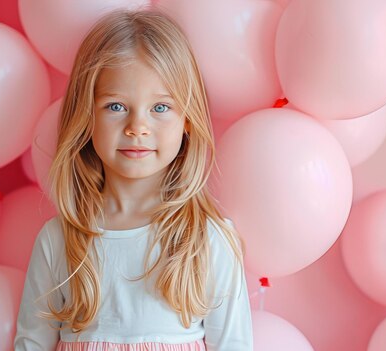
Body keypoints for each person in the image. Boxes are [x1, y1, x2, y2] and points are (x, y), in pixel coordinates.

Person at [14, 7, 253, 351]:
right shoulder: (59, 242)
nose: (137, 127)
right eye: (116, 106)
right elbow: (31, 344)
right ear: (87, 115)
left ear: (187, 119)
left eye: (159, 108)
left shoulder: (209, 240)